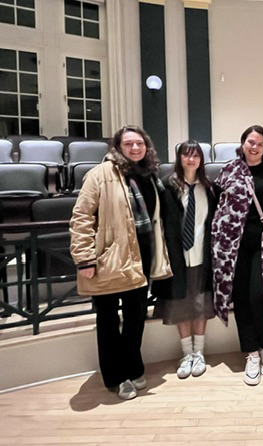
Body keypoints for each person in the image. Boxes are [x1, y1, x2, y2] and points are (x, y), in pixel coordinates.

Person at [69, 125, 172, 400]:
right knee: (107, 319)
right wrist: (84, 259)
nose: (135, 148)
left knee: (136, 316)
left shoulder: (150, 176)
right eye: (129, 144)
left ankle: (133, 367)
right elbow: (81, 217)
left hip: (140, 258)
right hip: (108, 259)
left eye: (140, 143)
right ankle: (116, 377)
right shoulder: (100, 175)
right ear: (118, 147)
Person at [210, 125, 263, 386]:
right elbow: (217, 207)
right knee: (241, 298)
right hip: (234, 245)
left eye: (259, 143)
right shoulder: (229, 170)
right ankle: (251, 353)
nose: (254, 147)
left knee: (262, 296)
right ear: (242, 143)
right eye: (250, 142)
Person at [152, 141, 216, 379]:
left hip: (202, 254)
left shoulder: (208, 187)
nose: (191, 160)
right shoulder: (167, 187)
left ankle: (199, 353)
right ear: (179, 159)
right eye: (186, 156)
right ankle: (186, 354)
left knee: (200, 304)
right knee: (180, 306)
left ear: (201, 160)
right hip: (177, 256)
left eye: (196, 156)